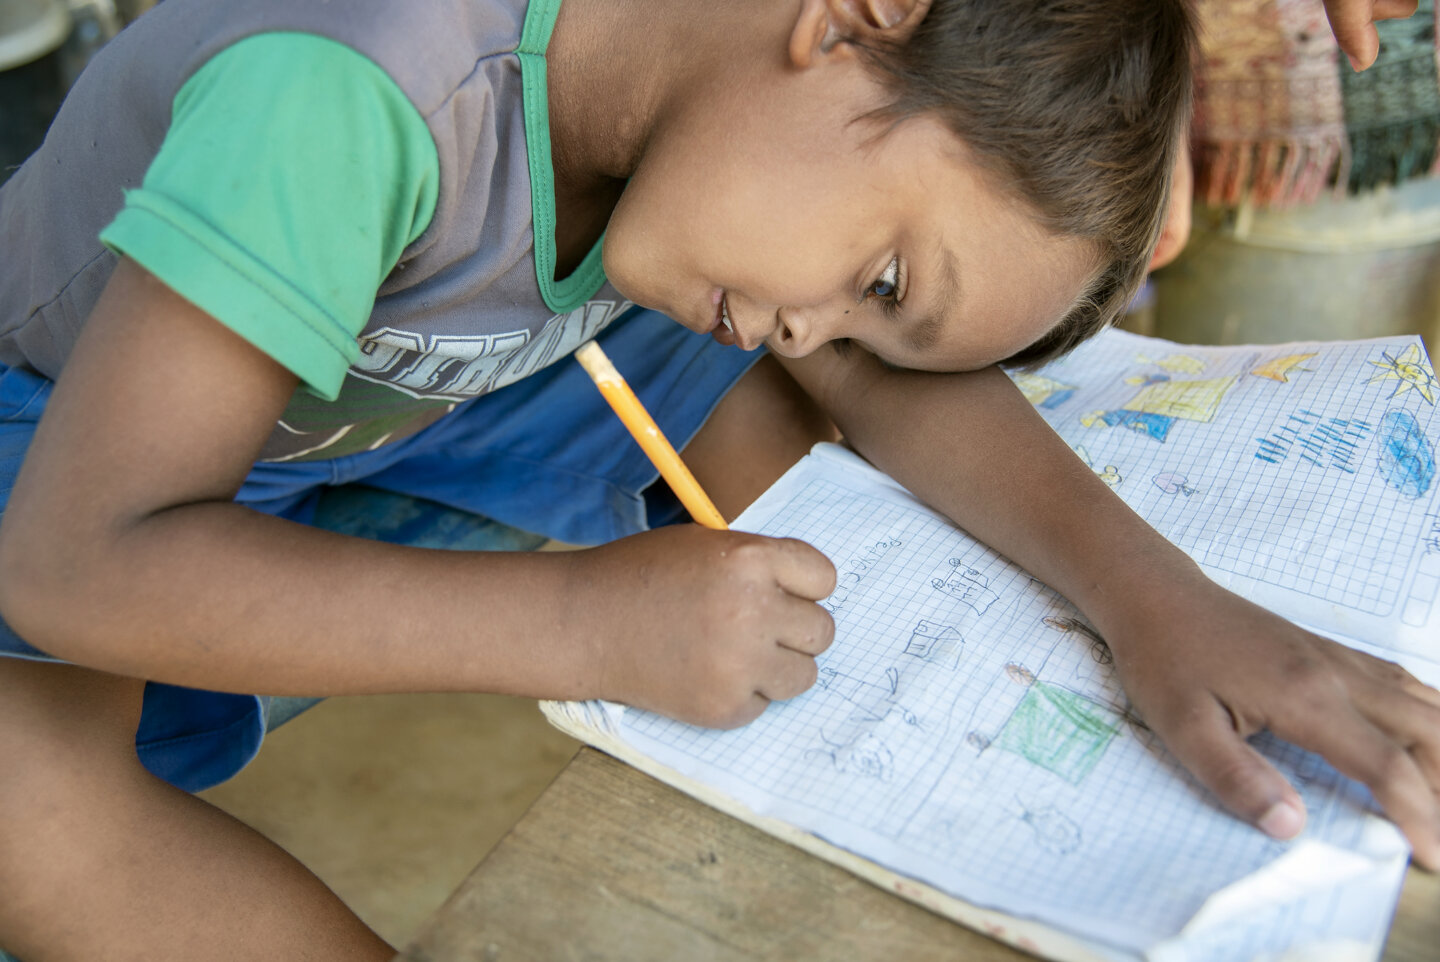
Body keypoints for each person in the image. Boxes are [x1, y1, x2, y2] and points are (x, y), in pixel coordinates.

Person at [0, 0, 1435, 958]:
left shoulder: (711, 150)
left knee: (784, 423)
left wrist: (1156, 599)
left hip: (413, 392)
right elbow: (78, 561)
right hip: (69, 436)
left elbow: (869, 382)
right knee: (32, 811)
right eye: (882, 276)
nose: (827, 330)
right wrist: (581, 627)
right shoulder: (355, 93)